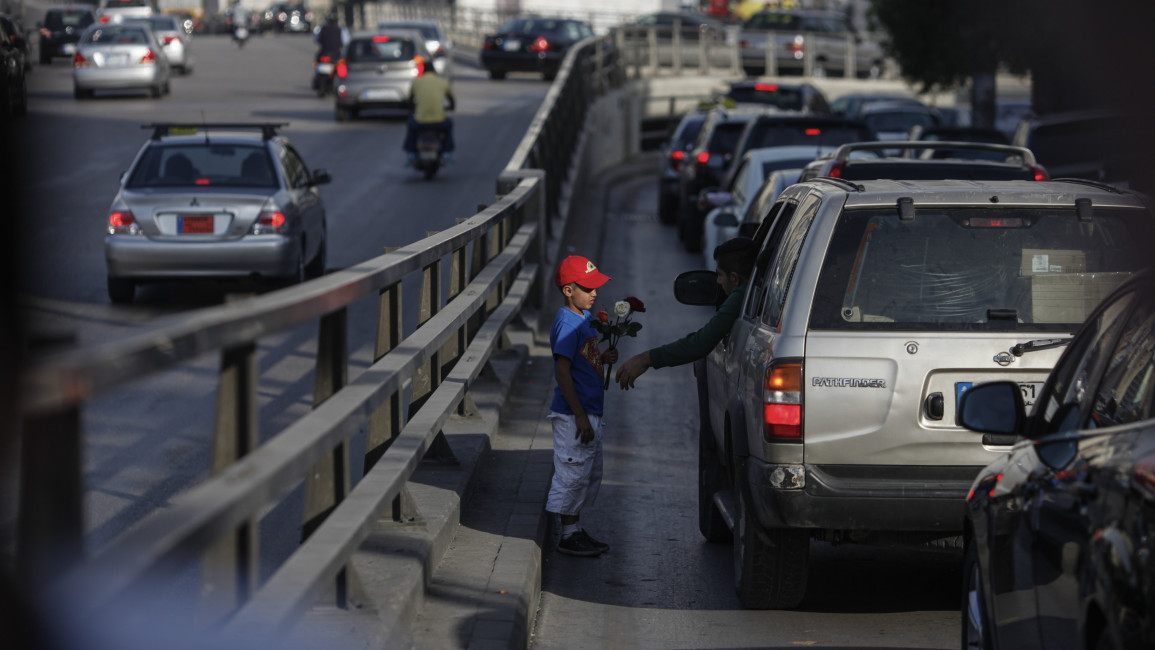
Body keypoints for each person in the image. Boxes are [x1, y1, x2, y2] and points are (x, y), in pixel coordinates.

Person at [547, 255, 619, 557]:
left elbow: (582, 360)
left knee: (585, 472)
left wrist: (602, 359)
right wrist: (579, 415)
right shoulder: (567, 324)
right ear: (568, 290)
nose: (594, 293)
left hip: (589, 410)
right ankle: (567, 535)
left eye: (595, 288)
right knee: (572, 472)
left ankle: (574, 529)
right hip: (574, 413)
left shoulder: (585, 321)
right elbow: (563, 371)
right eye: (587, 288)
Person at [615, 236, 757, 389]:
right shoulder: (752, 290)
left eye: (720, 275)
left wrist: (645, 359)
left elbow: (700, 343)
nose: (718, 281)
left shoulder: (741, 295)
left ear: (734, 278)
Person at [403, 56, 455, 165]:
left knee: (410, 126)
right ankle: (446, 153)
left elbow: (410, 101)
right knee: (449, 125)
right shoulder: (443, 82)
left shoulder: (416, 82)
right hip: (439, 121)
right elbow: (451, 101)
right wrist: (451, 107)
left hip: (420, 121)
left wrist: (412, 109)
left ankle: (411, 153)